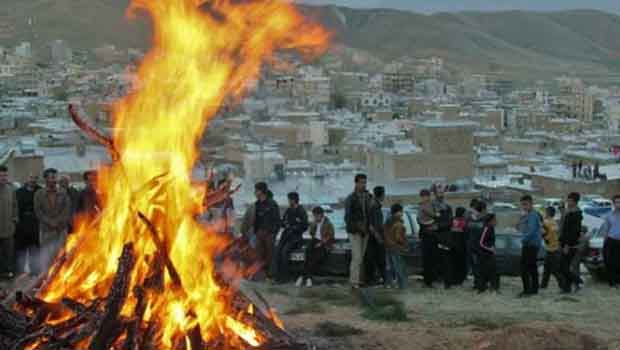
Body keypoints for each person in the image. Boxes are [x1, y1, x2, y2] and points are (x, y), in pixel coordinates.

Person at [34, 168, 74, 273]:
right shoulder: (39, 194)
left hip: (61, 230)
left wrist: (58, 222)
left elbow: (67, 210)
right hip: (46, 231)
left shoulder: (63, 193)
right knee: (47, 257)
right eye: (51, 177)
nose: (54, 180)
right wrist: (50, 222)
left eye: (55, 177)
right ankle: (47, 277)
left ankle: (61, 276)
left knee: (61, 256)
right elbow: (38, 211)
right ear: (45, 179)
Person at [245, 182, 280, 280]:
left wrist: (272, 233)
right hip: (260, 233)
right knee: (258, 255)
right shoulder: (257, 204)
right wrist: (256, 232)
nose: (255, 192)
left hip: (269, 234)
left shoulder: (272, 204)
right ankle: (260, 276)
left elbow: (277, 220)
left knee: (270, 256)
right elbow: (256, 220)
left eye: (256, 190)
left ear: (261, 191)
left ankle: (270, 276)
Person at [272, 192, 308, 283]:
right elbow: (283, 221)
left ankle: (285, 276)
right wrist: (283, 224)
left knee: (285, 252)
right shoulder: (288, 210)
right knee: (277, 251)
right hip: (286, 236)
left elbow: (304, 225)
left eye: (289, 200)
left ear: (293, 200)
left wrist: (294, 228)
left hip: (295, 238)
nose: (288, 201)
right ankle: (278, 275)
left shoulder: (301, 211)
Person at [344, 174, 373, 289]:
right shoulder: (350, 198)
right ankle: (354, 281)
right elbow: (347, 218)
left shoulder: (368, 197)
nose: (363, 185)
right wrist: (357, 227)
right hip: (354, 231)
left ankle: (360, 280)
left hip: (365, 231)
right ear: (356, 183)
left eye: (365, 182)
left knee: (361, 256)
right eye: (361, 182)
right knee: (357, 257)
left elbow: (371, 213)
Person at [296, 206, 334, 288]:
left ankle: (303, 277)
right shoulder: (315, 222)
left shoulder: (328, 223)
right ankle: (307, 277)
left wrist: (322, 242)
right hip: (315, 240)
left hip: (324, 243)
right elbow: (311, 233)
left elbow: (331, 236)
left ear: (322, 215)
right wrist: (313, 225)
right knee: (307, 253)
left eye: (317, 216)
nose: (316, 217)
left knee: (315, 258)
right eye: (314, 216)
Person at [15, 174, 42, 275]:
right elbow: (15, 207)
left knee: (34, 249)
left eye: (35, 178)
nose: (33, 180)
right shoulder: (19, 192)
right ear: (27, 179)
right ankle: (20, 272)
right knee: (21, 249)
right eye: (31, 178)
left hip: (36, 223)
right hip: (22, 224)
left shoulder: (40, 191)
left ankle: (34, 271)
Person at [517, 195, 542, 297]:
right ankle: (533, 289)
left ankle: (527, 290)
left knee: (524, 268)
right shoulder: (528, 215)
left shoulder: (533, 215)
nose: (524, 206)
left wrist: (523, 240)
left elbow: (531, 231)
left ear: (531, 203)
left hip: (530, 244)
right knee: (532, 268)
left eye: (525, 204)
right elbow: (522, 228)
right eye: (522, 204)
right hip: (531, 244)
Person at [559, 192, 583, 293]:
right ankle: (566, 288)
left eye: (570, 201)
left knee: (563, 267)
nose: (568, 202)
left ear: (575, 202)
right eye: (567, 200)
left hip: (570, 245)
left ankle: (578, 280)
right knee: (565, 266)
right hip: (564, 243)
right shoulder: (569, 212)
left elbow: (573, 232)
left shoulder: (576, 214)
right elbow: (564, 226)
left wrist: (567, 245)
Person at [364, 186, 386, 286]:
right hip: (375, 236)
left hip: (373, 235)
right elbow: (371, 225)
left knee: (374, 259)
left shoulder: (374, 205)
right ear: (382, 195)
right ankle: (376, 279)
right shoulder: (375, 207)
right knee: (377, 258)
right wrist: (378, 236)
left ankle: (374, 279)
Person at [433, 185, 453, 289]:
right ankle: (436, 280)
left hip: (444, 238)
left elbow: (450, 222)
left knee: (445, 260)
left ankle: (447, 282)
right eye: (438, 193)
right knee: (435, 260)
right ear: (435, 194)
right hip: (433, 238)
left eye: (442, 193)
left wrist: (438, 226)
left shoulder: (447, 207)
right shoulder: (432, 206)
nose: (440, 195)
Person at [384, 203, 408, 289]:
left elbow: (385, 234)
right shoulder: (398, 224)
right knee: (399, 267)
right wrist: (404, 244)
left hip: (388, 247)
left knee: (389, 267)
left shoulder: (387, 222)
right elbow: (398, 237)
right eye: (401, 212)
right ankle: (402, 285)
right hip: (396, 247)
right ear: (397, 212)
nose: (402, 213)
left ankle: (389, 284)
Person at [0, 166, 18, 279]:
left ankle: (9, 272)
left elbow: (15, 205)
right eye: (1, 175)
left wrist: (15, 218)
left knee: (9, 252)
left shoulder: (11, 189)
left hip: (8, 227)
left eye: (5, 175)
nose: (3, 177)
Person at [418, 189, 439, 288]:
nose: (426, 198)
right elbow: (421, 220)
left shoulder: (431, 205)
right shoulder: (422, 206)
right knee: (427, 259)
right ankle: (428, 281)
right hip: (426, 234)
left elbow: (437, 216)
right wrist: (432, 219)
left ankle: (431, 280)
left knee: (432, 258)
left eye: (427, 196)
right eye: (425, 196)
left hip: (432, 235)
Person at [600, 195, 620, 288]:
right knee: (609, 262)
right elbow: (606, 230)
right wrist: (604, 243)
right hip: (611, 240)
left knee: (618, 262)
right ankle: (612, 282)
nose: (618, 204)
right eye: (616, 202)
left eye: (619, 202)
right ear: (613, 203)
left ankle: (617, 281)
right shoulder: (609, 215)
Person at [541, 206, 563, 290]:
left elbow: (542, 232)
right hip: (555, 247)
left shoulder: (546, 222)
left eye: (545, 212)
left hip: (551, 249)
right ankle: (543, 285)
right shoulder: (554, 222)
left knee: (554, 270)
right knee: (547, 268)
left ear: (548, 213)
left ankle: (562, 285)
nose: (544, 213)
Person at [468, 200, 487, 291]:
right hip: (476, 246)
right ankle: (478, 284)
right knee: (477, 266)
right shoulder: (480, 220)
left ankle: (480, 284)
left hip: (477, 246)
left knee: (478, 266)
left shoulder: (482, 220)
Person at [478, 214, 499, 293]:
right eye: (495, 220)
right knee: (485, 271)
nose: (496, 221)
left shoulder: (491, 228)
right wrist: (490, 248)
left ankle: (494, 288)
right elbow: (480, 242)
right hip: (484, 254)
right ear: (491, 221)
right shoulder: (486, 228)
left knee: (493, 271)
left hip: (489, 253)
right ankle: (482, 288)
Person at [451, 207, 468, 286]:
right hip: (461, 246)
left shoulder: (452, 221)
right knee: (461, 264)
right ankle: (459, 280)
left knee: (454, 263)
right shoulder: (463, 222)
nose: (466, 214)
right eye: (464, 213)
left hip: (453, 246)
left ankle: (454, 279)